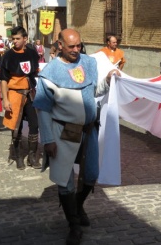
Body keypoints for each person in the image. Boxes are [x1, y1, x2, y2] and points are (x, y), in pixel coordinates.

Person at [34, 28, 120, 245]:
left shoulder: (88, 63)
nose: (76, 50)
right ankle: (73, 225)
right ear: (60, 45)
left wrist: (108, 79)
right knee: (65, 181)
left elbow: (94, 91)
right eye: (71, 46)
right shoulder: (51, 71)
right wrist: (48, 140)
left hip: (88, 129)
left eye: (78, 45)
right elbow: (43, 108)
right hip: (62, 132)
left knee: (91, 175)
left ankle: (78, 206)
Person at [0, 26, 41, 170]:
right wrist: (5, 99)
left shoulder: (32, 53)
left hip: (29, 93)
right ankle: (18, 157)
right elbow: (3, 80)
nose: (15, 41)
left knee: (34, 124)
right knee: (15, 127)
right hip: (14, 94)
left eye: (18, 39)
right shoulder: (7, 56)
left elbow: (34, 72)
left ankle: (32, 156)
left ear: (25, 39)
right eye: (13, 39)